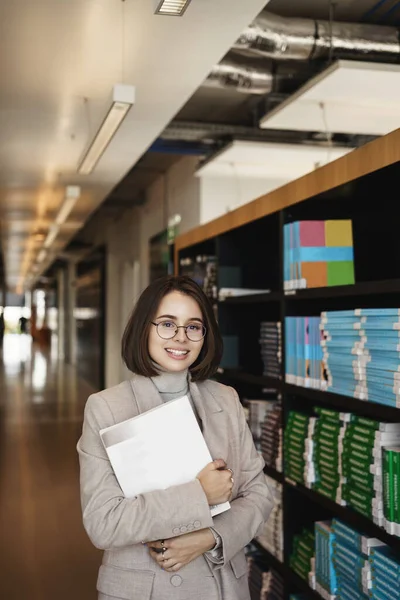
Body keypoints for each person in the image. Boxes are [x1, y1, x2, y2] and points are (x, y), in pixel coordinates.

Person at [77, 275, 273, 600]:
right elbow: (104, 522)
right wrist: (200, 494)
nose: (181, 337)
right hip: (146, 588)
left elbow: (259, 495)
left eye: (193, 327)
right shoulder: (106, 408)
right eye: (167, 324)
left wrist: (210, 537)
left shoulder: (225, 398)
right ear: (145, 328)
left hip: (222, 584)